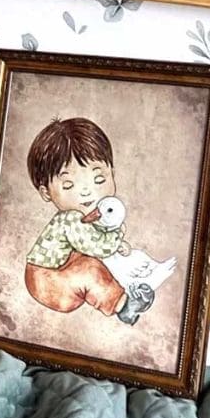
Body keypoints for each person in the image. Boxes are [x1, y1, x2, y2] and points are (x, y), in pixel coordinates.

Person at [24, 117, 154, 326]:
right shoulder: (71, 219)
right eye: (69, 185)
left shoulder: (89, 218)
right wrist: (116, 236)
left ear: (112, 174)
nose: (87, 191)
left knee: (94, 265)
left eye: (99, 179)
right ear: (46, 192)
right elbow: (97, 246)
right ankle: (124, 308)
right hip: (46, 280)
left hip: (63, 268)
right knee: (89, 269)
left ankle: (126, 292)